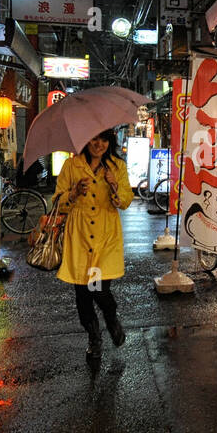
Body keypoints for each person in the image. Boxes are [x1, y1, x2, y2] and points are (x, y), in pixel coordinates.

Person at [53, 129, 133, 359]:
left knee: (98, 287)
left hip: (105, 236)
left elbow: (125, 201)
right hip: (79, 235)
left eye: (104, 140)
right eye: (94, 138)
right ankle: (94, 336)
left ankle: (111, 318)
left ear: (110, 142)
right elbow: (57, 200)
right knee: (83, 293)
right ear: (85, 139)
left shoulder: (117, 166)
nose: (99, 144)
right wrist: (74, 192)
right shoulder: (71, 165)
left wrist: (115, 186)